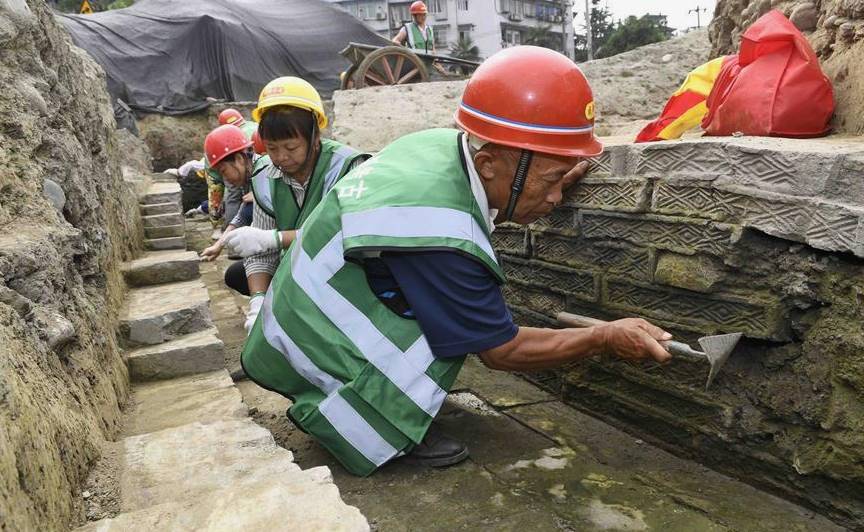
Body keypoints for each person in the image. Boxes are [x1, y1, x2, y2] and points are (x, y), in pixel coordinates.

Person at [235, 46, 674, 477]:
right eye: (551, 181)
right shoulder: (441, 235)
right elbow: (503, 349)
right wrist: (603, 337)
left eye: (561, 179)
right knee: (454, 333)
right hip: (306, 347)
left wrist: (550, 173)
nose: (557, 197)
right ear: (488, 163)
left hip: (293, 316)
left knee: (448, 314)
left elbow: (481, 197)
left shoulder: (439, 147)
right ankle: (371, 423)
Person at [221, 76, 368, 329]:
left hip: (345, 270)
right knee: (238, 274)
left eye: (291, 147)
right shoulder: (265, 176)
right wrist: (257, 302)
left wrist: (274, 239)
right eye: (272, 148)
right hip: (298, 268)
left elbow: (348, 234)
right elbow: (261, 251)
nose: (281, 157)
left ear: (314, 135)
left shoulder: (347, 167)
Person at [198, 126, 262, 286]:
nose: (225, 178)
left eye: (224, 171)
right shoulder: (249, 177)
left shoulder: (265, 172)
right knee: (234, 275)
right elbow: (243, 214)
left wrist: (264, 194)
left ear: (240, 159)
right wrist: (218, 245)